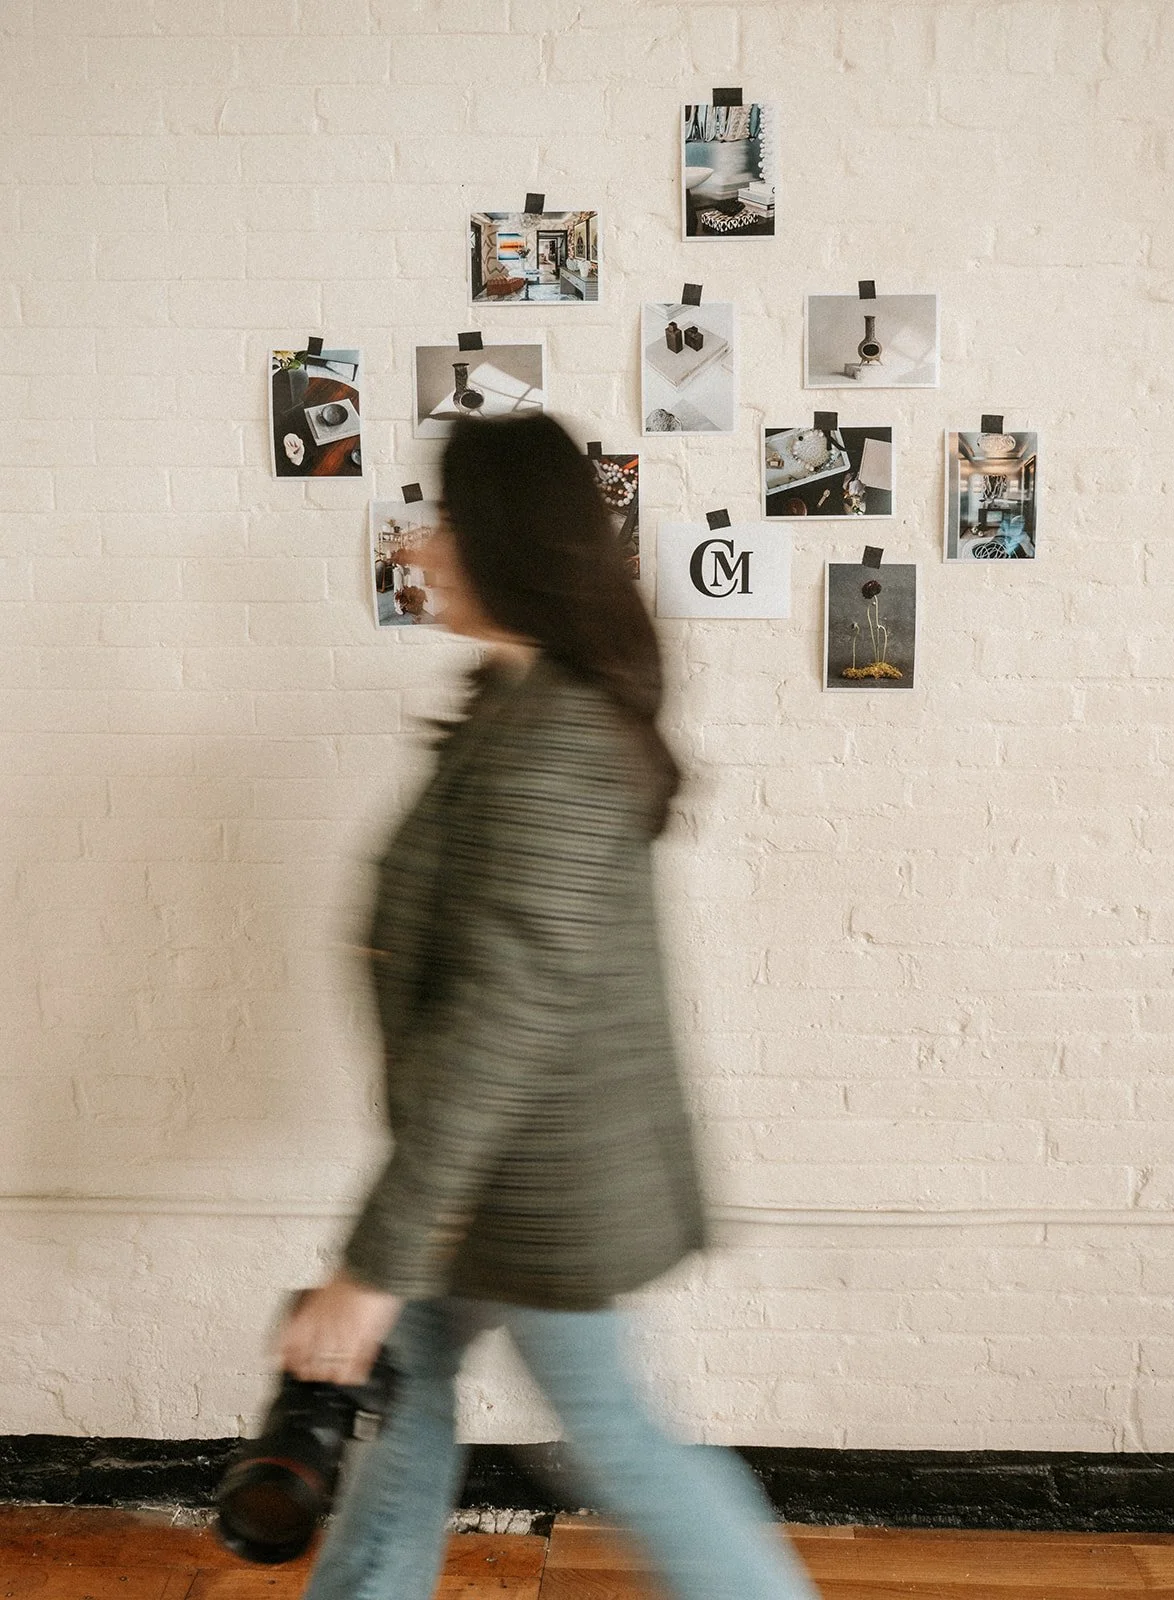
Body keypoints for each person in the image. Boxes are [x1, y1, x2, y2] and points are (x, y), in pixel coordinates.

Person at [279, 414, 817, 1600]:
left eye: (444, 522)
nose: (419, 546)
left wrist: (370, 1266)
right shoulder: (507, 709)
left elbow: (500, 1023)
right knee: (404, 1398)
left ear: (500, 542)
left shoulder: (554, 741)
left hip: (539, 1183)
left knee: (616, 1437)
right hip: (485, 1172)